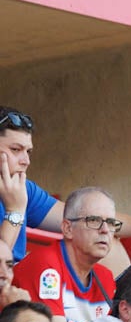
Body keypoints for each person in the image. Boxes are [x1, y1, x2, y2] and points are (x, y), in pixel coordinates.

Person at [13, 187, 118, 322]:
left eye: (111, 223)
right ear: (68, 228)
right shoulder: (46, 264)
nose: (105, 230)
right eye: (94, 220)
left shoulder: (105, 277)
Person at [0, 106, 67, 262]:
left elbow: (80, 218)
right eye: (16, 149)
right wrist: (15, 211)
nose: (26, 161)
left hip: (12, 283)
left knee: (107, 239)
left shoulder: (23, 188)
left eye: (28, 151)